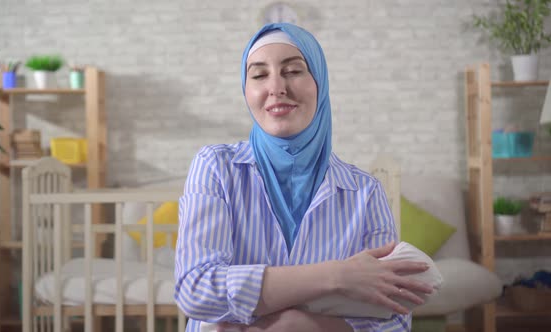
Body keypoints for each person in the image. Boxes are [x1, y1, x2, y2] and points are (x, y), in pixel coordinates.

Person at [174, 23, 434, 332]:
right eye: (259, 75)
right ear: (246, 90)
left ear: (320, 82)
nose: (276, 88)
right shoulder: (215, 166)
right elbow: (196, 288)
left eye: (294, 71)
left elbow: (393, 320)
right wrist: (338, 277)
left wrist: (294, 325)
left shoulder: (365, 192)